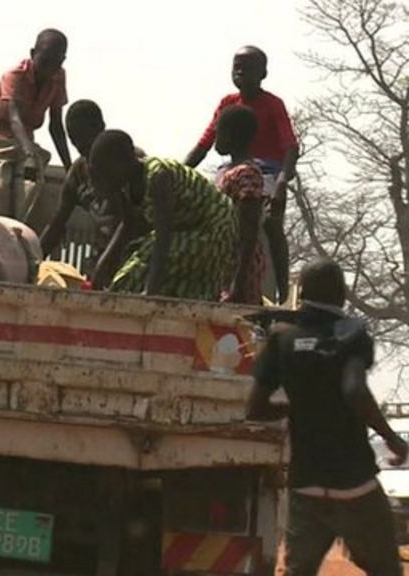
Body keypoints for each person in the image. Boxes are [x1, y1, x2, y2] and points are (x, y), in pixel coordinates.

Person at [246, 258, 407, 576]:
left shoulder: (282, 339)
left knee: (297, 571)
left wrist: (301, 406)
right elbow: (355, 391)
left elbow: (255, 409)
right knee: (386, 568)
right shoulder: (351, 335)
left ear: (302, 292)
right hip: (354, 481)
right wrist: (392, 438)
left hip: (306, 483)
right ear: (342, 294)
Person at [185, 46, 298, 303]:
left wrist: (281, 183)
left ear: (263, 73)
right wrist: (179, 174)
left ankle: (282, 289)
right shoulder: (227, 103)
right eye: (236, 66)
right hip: (230, 167)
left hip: (267, 171)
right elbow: (204, 144)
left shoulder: (273, 104)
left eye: (247, 68)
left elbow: (290, 147)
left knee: (270, 221)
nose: (239, 72)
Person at [87, 130, 235, 300]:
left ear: (121, 163)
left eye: (104, 173)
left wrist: (150, 292)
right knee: (132, 268)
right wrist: (100, 271)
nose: (101, 181)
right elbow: (127, 226)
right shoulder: (125, 186)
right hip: (184, 229)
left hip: (215, 226)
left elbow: (162, 240)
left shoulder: (158, 176)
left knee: (142, 270)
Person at [0, 29, 70, 231]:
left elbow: (56, 124)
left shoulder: (58, 77)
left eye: (56, 63)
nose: (49, 70)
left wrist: (70, 168)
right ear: (33, 54)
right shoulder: (14, 75)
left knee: (32, 188)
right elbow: (14, 118)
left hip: (24, 143)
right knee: (0, 187)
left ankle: (18, 238)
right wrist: (29, 151)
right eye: (45, 62)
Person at [40, 100, 147, 282]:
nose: (81, 147)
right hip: (102, 254)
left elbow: (134, 222)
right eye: (75, 142)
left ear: (100, 128)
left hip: (135, 255)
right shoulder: (79, 172)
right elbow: (57, 224)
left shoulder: (126, 160)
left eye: (85, 138)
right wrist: (35, 260)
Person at [214, 105, 268, 305]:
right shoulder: (226, 171)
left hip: (241, 266)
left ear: (233, 135)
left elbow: (249, 230)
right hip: (226, 263)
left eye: (219, 131)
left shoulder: (246, 173)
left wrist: (239, 280)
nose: (215, 136)